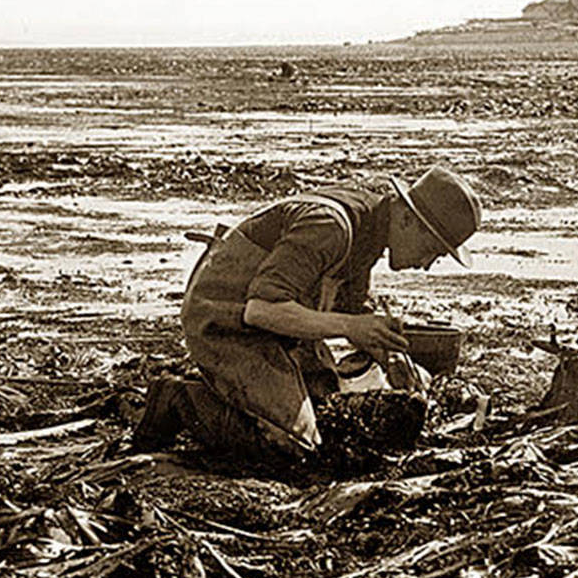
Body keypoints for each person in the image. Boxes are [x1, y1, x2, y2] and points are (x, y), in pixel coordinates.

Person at [131, 165, 482, 459]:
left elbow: (352, 306)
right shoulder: (331, 226)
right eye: (432, 250)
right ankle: (180, 398)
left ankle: (240, 394)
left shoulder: (372, 227)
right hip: (226, 320)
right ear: (407, 219)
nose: (426, 265)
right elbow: (261, 309)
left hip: (284, 328)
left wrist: (390, 358)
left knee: (327, 413)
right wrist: (351, 327)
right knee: (292, 445)